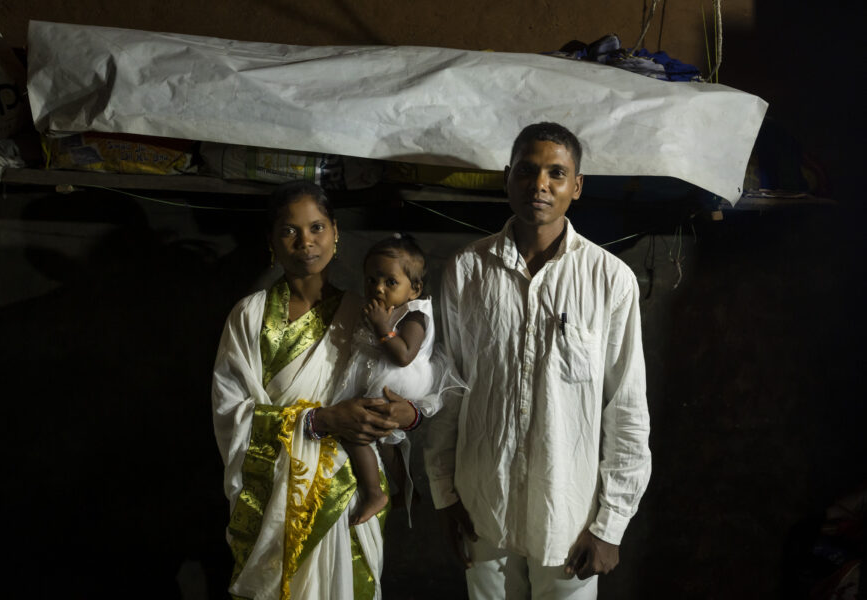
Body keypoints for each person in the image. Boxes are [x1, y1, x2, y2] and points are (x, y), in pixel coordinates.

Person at [424, 122, 652, 599]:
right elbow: (446, 390)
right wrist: (445, 495)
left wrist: (611, 523)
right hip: (482, 504)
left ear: (577, 186)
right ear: (508, 177)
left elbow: (626, 409)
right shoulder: (467, 271)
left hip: (568, 515)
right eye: (527, 171)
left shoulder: (610, 280)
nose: (540, 185)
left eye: (556, 173)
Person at [211, 180, 419, 600]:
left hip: (351, 502)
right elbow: (230, 414)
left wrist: (408, 414)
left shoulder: (368, 317)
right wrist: (319, 421)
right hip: (275, 501)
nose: (305, 241)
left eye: (317, 227)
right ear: (271, 240)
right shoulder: (250, 316)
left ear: (336, 233)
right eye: (289, 231)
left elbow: (409, 384)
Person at [334, 233, 435, 525]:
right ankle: (405, 489)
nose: (378, 288)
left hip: (399, 378)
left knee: (355, 433)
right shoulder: (379, 309)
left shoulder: (414, 316)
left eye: (390, 282)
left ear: (414, 289)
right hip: (385, 376)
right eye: (371, 280)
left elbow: (403, 355)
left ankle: (374, 492)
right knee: (385, 441)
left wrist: (381, 327)